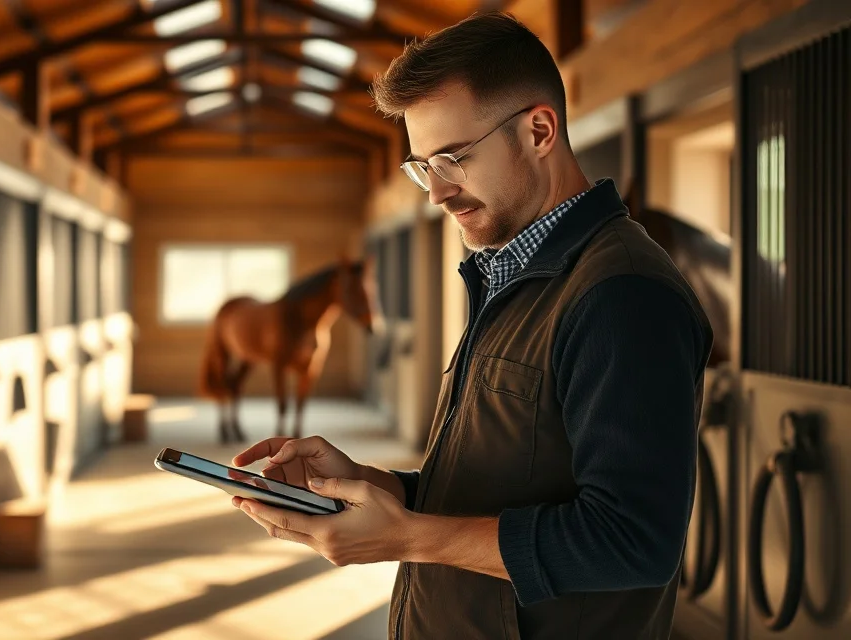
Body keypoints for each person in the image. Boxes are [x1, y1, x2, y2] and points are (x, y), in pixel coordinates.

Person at [230, 11, 714, 639]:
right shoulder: (509, 274)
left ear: (540, 130)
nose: (436, 192)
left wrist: (409, 537)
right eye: (422, 166)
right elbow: (503, 482)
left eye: (453, 158)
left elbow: (631, 541)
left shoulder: (620, 293)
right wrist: (373, 488)